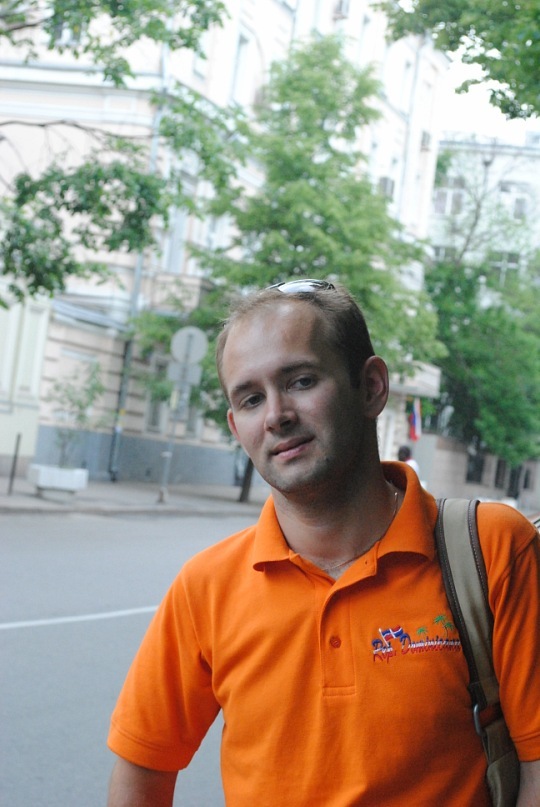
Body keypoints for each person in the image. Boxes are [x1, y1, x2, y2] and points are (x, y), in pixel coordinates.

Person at [107, 279, 540, 806]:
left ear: (372, 387)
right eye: (251, 399)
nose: (276, 415)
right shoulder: (206, 586)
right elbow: (142, 774)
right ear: (236, 427)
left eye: (301, 380)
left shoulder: (492, 550)